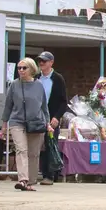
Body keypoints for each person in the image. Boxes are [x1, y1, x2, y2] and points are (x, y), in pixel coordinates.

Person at [1, 57, 48, 191]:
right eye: (19, 68)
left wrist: (47, 123)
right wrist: (4, 125)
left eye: (24, 68)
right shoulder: (14, 85)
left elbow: (44, 107)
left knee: (33, 153)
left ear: (32, 69)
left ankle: (31, 182)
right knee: (21, 150)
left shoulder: (38, 86)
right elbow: (8, 106)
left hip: (36, 123)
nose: (21, 70)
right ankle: (23, 180)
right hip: (17, 122)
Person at [36, 52, 67, 185]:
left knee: (50, 145)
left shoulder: (58, 79)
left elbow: (63, 102)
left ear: (51, 62)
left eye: (44, 61)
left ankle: (49, 175)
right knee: (37, 146)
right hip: (37, 117)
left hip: (51, 118)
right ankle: (39, 173)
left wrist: (57, 117)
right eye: (40, 61)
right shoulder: (36, 78)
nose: (41, 63)